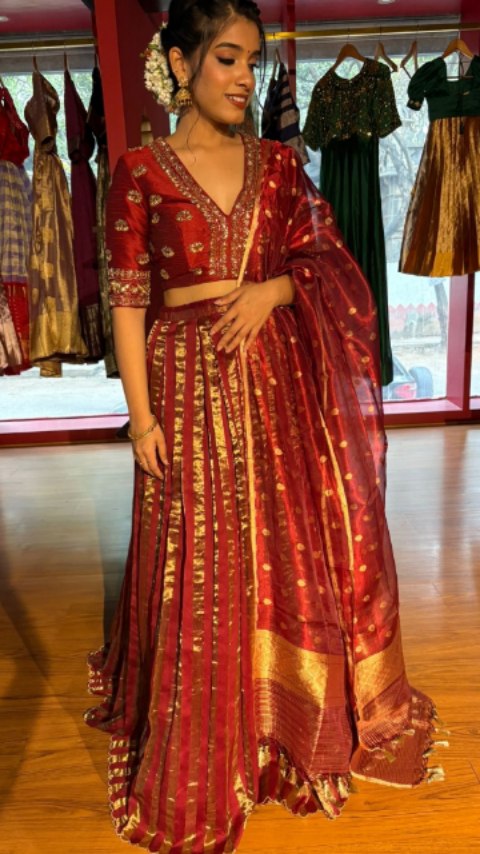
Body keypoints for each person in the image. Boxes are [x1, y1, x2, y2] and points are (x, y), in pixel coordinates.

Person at [85, 2, 444, 851]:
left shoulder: (279, 165)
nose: (246, 77)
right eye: (227, 59)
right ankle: (212, 733)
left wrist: (273, 291)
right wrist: (140, 420)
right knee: (198, 561)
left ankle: (283, 726)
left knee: (278, 546)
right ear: (180, 64)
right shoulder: (138, 172)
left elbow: (327, 263)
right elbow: (127, 304)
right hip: (182, 383)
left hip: (272, 377)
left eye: (252, 61)